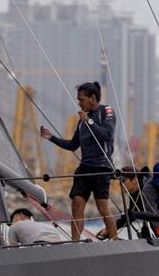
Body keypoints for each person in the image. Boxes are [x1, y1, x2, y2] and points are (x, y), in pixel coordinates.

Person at [40, 82, 117, 241]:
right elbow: (73, 145)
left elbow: (106, 134)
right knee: (76, 203)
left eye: (81, 99)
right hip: (85, 167)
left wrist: (89, 121)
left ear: (93, 98)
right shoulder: (82, 119)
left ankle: (115, 241)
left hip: (101, 168)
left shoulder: (106, 112)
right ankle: (75, 243)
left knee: (103, 207)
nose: (79, 103)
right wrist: (51, 138)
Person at [98, 165, 149, 239]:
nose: (120, 184)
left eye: (123, 181)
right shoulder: (134, 191)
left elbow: (132, 214)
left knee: (146, 232)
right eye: (120, 181)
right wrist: (110, 229)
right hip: (152, 224)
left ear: (134, 180)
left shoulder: (147, 190)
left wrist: (110, 229)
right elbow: (131, 214)